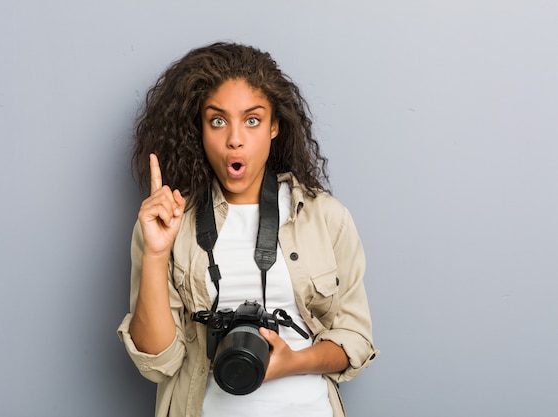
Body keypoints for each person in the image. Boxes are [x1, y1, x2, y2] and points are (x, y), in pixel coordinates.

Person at [117, 42, 378, 417]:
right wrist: (156, 253)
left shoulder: (325, 217)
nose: (234, 139)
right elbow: (158, 362)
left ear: (275, 126)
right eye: (217, 120)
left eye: (252, 120)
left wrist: (292, 361)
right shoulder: (167, 222)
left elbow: (355, 338)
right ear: (200, 128)